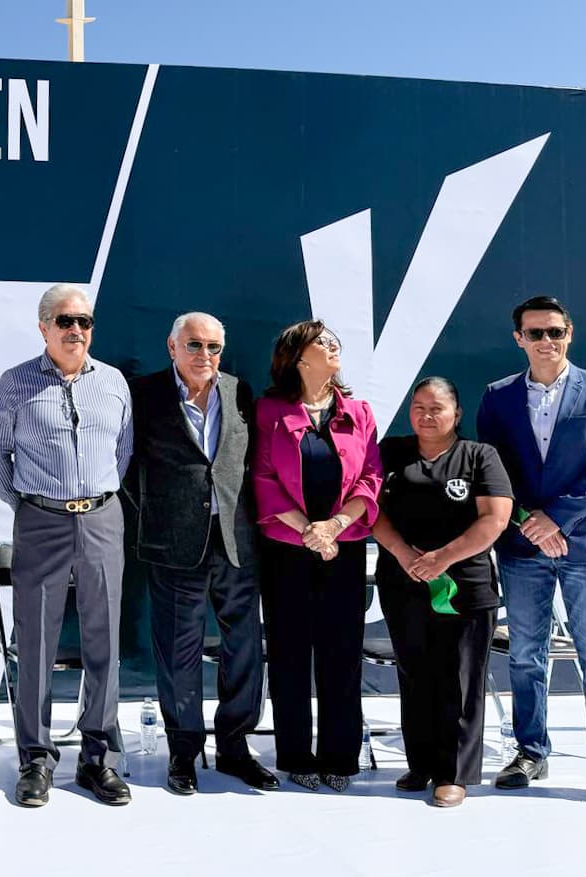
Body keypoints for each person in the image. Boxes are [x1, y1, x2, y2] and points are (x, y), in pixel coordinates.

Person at [477, 295, 586, 817]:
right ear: (518, 339)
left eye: (556, 332)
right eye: (536, 333)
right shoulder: (498, 397)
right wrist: (529, 521)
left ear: (570, 334)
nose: (547, 342)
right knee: (526, 655)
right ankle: (531, 752)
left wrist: (556, 519)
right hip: (524, 545)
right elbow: (493, 473)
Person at [0, 283, 133, 807]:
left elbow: (123, 450)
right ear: (43, 326)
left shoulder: (113, 383)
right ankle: (35, 759)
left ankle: (99, 759)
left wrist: (94, 498)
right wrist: (27, 505)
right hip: (41, 522)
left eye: (85, 322)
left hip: (101, 519)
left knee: (104, 643)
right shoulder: (16, 383)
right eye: (65, 320)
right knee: (37, 646)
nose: (76, 330)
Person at [123, 312, 275, 795]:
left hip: (235, 542)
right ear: (172, 347)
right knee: (178, 652)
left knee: (245, 648)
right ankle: (183, 752)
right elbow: (124, 466)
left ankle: (234, 747)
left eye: (212, 347)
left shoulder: (237, 391)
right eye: (193, 346)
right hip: (173, 544)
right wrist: (159, 513)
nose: (204, 356)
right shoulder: (144, 395)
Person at [252, 320, 382, 792]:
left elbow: (370, 477)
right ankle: (295, 755)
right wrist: (309, 530)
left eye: (333, 342)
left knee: (342, 654)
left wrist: (334, 527)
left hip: (342, 550)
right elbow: (263, 479)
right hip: (288, 550)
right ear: (297, 358)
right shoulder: (269, 411)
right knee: (289, 654)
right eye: (320, 343)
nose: (332, 347)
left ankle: (340, 758)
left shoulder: (359, 411)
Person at [372, 377, 513, 807]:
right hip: (403, 580)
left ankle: (453, 773)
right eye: (418, 406)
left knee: (460, 677)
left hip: (464, 586)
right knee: (415, 673)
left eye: (436, 408)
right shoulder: (392, 452)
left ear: (456, 414)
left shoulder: (479, 456)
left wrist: (442, 559)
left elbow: (495, 519)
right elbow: (371, 508)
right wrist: (402, 553)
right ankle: (420, 764)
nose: (426, 415)